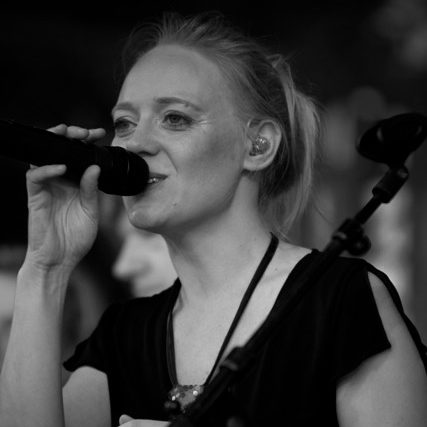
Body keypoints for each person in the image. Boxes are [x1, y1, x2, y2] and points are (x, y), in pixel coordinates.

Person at [1, 11, 427, 427]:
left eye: (175, 118)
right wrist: (46, 268)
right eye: (124, 123)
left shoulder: (341, 300)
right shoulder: (124, 335)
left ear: (258, 146)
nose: (135, 144)